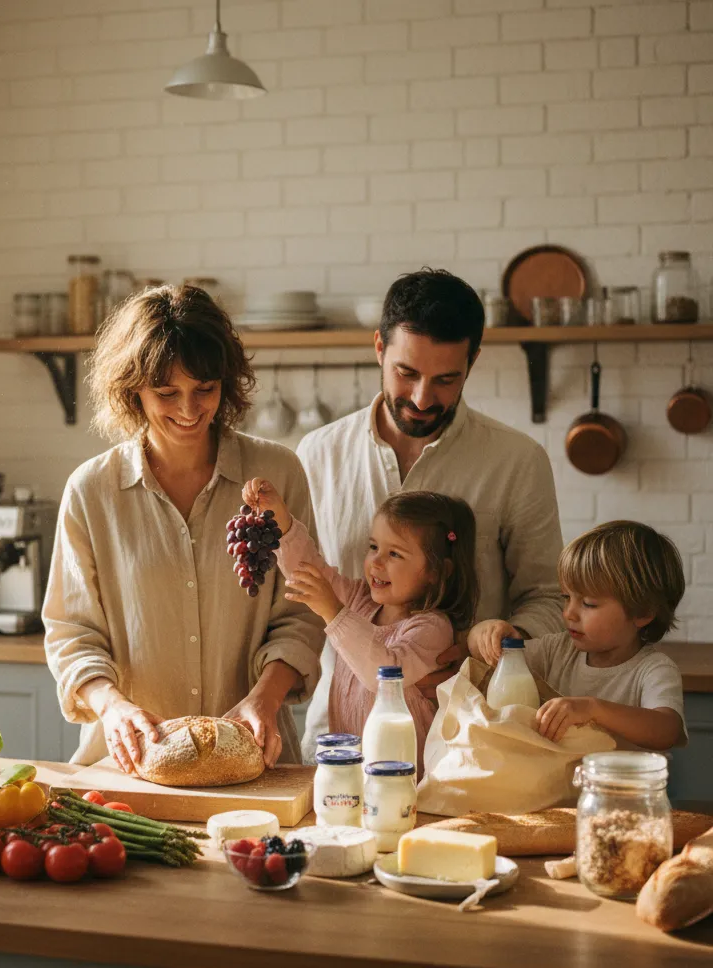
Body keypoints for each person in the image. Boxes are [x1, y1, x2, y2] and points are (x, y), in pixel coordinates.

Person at [43, 285, 324, 772]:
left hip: (257, 758)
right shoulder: (92, 491)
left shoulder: (278, 474)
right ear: (132, 388)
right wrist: (111, 705)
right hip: (128, 764)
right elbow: (72, 632)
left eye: (205, 389)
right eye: (167, 392)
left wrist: (265, 699)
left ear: (226, 383)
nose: (190, 410)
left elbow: (300, 614)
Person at [296, 269, 565, 759]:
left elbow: (547, 598)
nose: (422, 398)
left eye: (446, 379)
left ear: (473, 361)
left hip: (471, 748)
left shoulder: (517, 460)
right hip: (339, 739)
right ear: (379, 347)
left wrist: (490, 647)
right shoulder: (318, 454)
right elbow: (302, 596)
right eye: (407, 373)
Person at [241, 480, 478, 775]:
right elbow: (310, 569)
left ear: (437, 571)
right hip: (351, 771)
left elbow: (384, 673)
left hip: (408, 780)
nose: (376, 562)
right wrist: (282, 522)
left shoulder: (432, 627)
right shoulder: (359, 600)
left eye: (395, 554)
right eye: (374, 546)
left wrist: (334, 612)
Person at [469, 521, 687, 751]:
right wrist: (484, 632)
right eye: (566, 597)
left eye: (588, 604)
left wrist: (592, 709)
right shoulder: (556, 651)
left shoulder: (654, 670)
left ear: (642, 613)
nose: (569, 613)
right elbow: (483, 657)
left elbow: (667, 730)